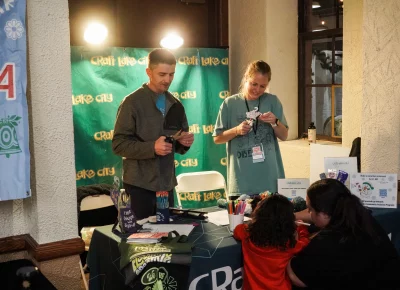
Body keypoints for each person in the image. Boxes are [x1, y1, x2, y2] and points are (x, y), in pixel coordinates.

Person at [112, 48, 194, 219]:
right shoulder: (132, 103)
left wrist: (183, 143)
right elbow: (118, 145)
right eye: (162, 74)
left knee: (167, 239)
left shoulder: (175, 104)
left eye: (171, 74)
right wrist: (152, 147)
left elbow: (176, 144)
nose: (167, 80)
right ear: (148, 72)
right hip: (138, 186)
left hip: (166, 185)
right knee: (139, 240)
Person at [288, 179, 400, 289]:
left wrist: (288, 249)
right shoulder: (361, 216)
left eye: (309, 209)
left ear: (324, 212)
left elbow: (297, 279)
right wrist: (290, 216)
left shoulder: (327, 242)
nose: (308, 213)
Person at [213, 60, 288, 196]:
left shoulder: (272, 101)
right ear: (246, 78)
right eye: (254, 84)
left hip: (269, 180)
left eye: (262, 86)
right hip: (241, 181)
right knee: (241, 217)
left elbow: (284, 135)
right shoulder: (229, 103)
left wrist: (275, 122)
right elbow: (217, 138)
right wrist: (236, 130)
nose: (257, 90)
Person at [234, 194, 309, 290]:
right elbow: (305, 243)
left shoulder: (246, 233)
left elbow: (237, 230)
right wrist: (301, 228)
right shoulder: (288, 244)